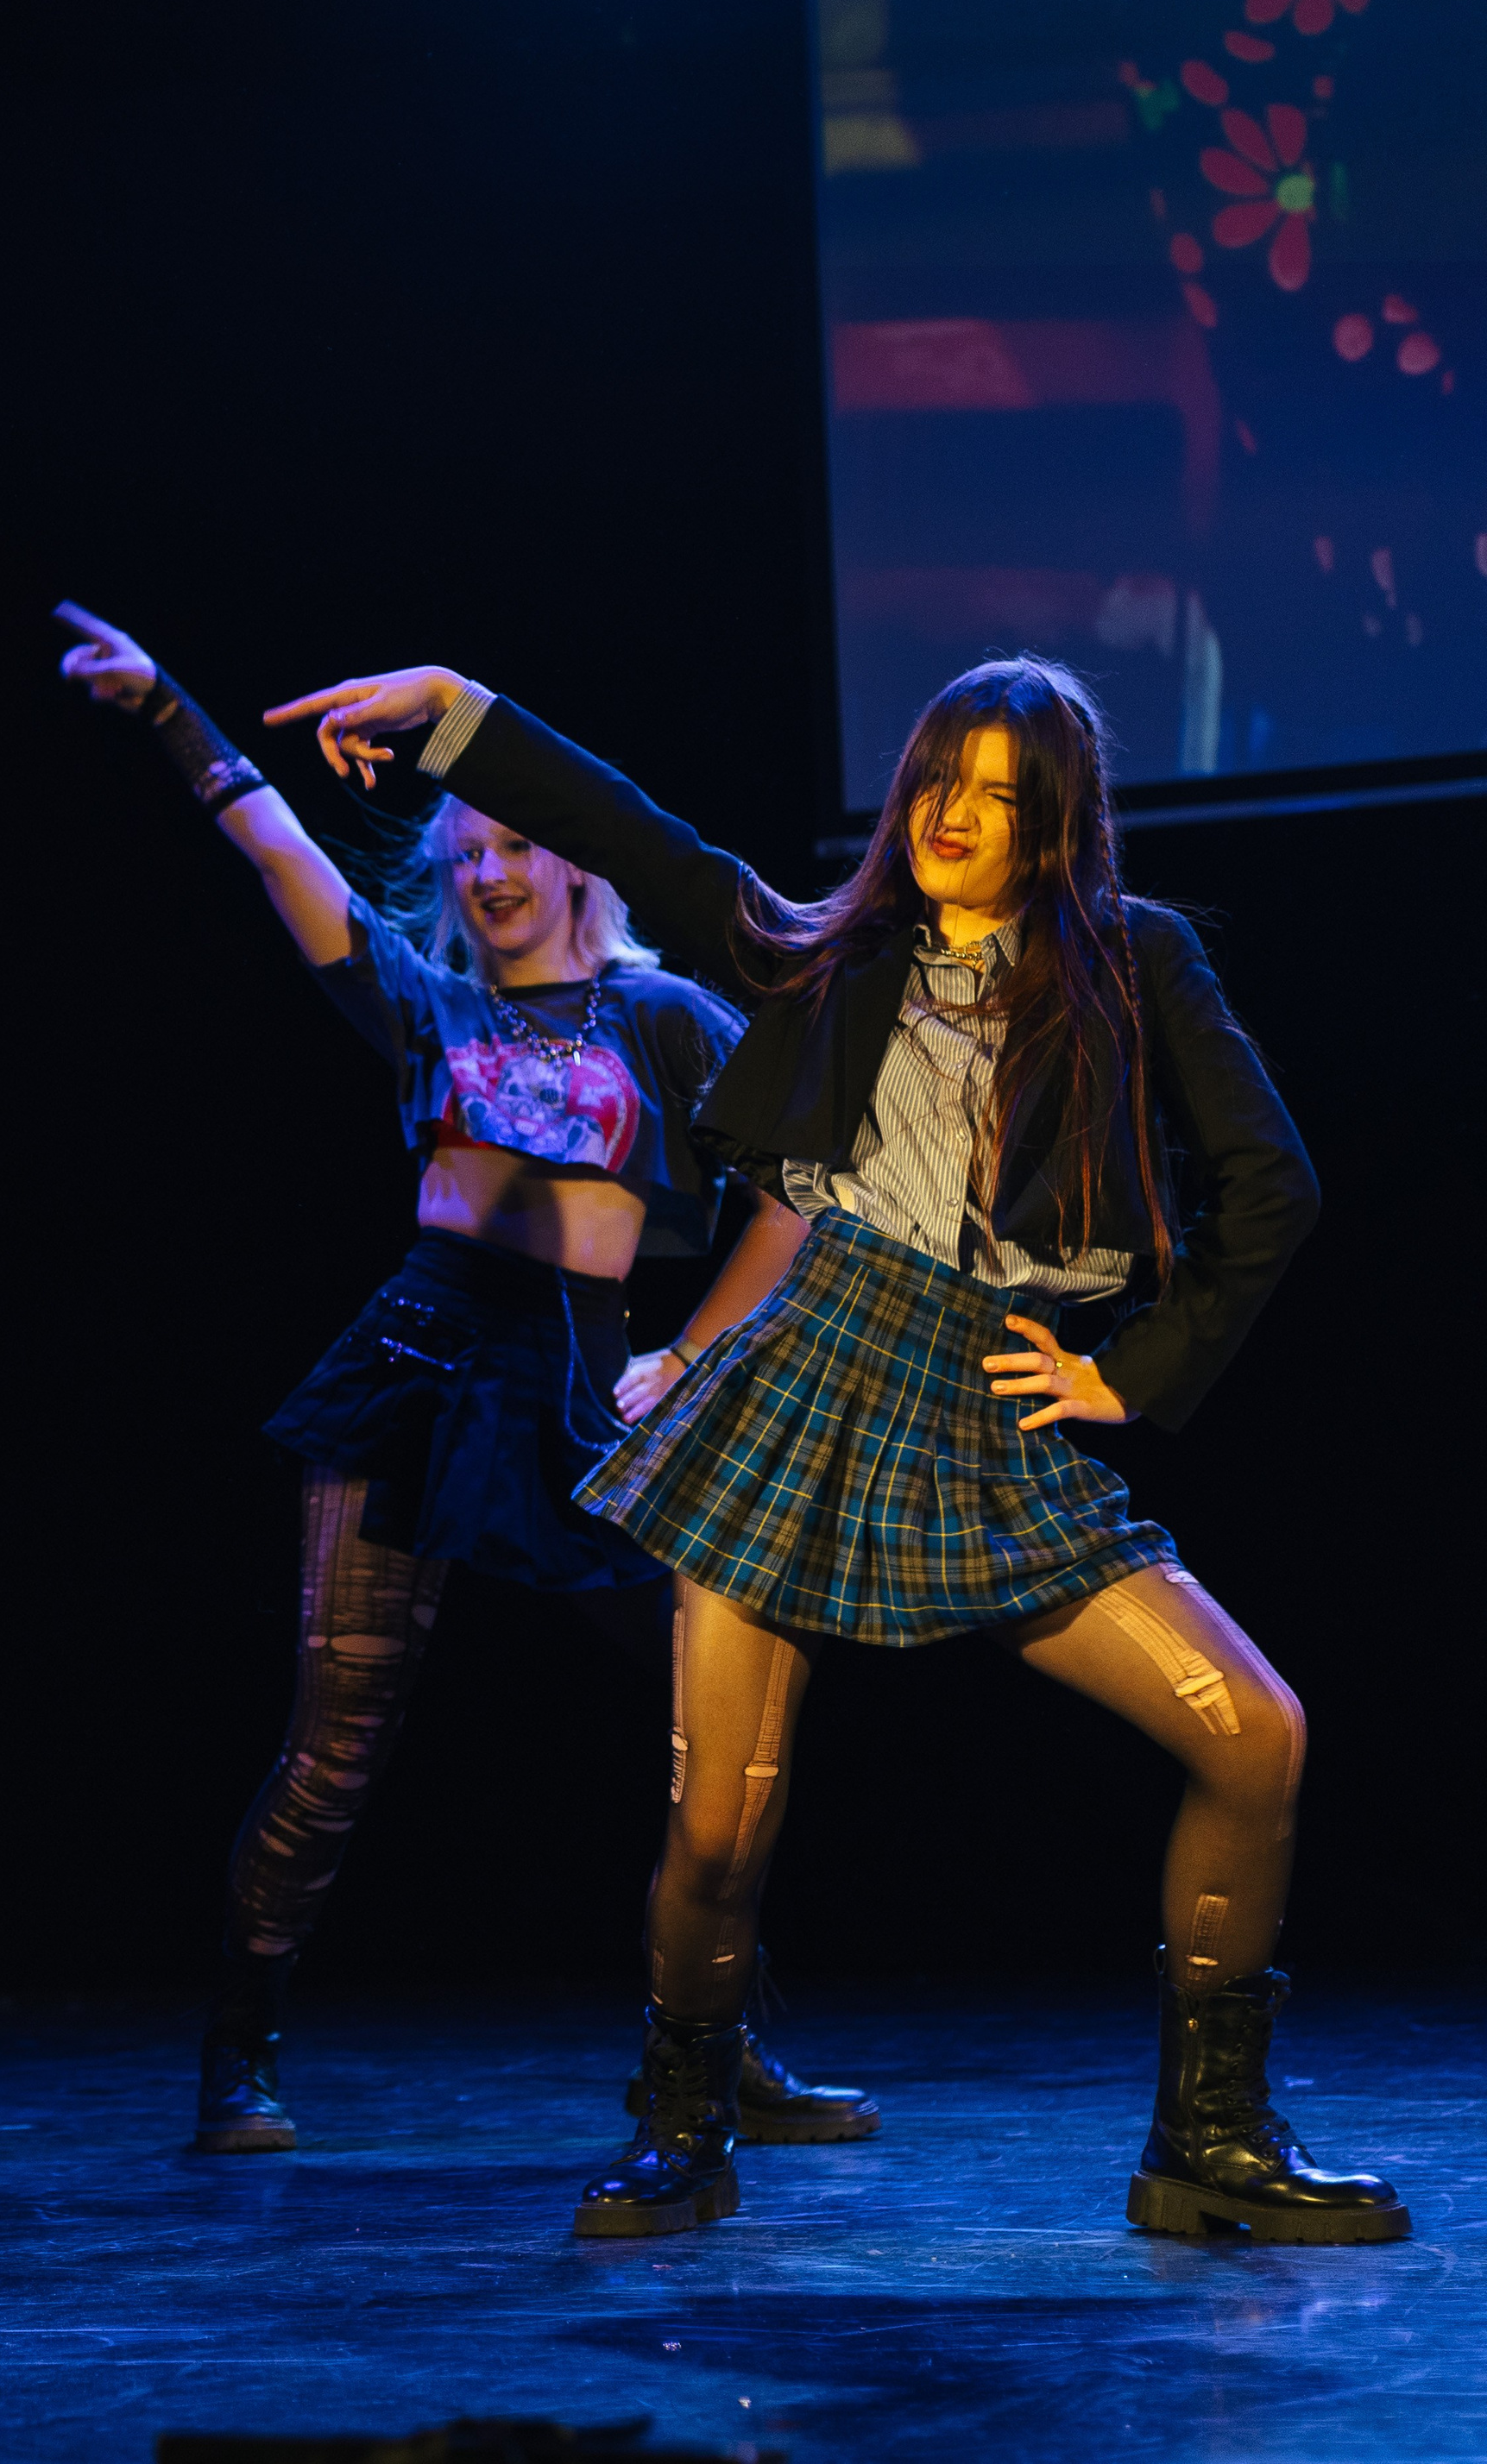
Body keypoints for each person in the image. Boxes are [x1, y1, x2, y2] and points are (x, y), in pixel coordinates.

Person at [261, 651, 1412, 2247]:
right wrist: (463, 711)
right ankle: (681, 2126)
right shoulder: (831, 951)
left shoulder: (1135, 962)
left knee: (1255, 1734)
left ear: (1056, 825)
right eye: (939, 780)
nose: (955, 815)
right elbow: (642, 837)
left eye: (999, 796)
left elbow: (1270, 1186)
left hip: (986, 1405)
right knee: (719, 1824)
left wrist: (1128, 1376)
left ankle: (1207, 2141)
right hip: (799, 1389)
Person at [54, 603, 880, 2155]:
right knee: (335, 1738)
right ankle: (239, 2051)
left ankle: (717, 2047)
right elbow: (278, 853)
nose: (491, 872)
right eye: (467, 853)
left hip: (583, 1385)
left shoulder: (665, 1018)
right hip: (418, 1364)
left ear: (574, 863)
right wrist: (167, 705)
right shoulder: (425, 1004)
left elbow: (807, 1194)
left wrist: (691, 1352)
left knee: (721, 1732)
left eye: (516, 844)